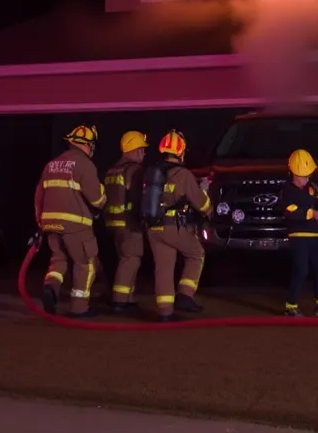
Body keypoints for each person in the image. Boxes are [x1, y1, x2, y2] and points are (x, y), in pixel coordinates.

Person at [34, 124, 107, 318]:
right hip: (77, 225)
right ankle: (79, 307)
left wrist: (42, 223)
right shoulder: (85, 164)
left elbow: (39, 196)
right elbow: (96, 199)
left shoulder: (51, 164)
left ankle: (51, 288)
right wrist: (103, 198)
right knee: (86, 263)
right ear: (88, 145)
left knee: (59, 260)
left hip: (50, 225)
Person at [146, 129, 211, 323]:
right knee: (196, 254)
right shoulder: (183, 174)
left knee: (164, 268)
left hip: (153, 227)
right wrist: (205, 195)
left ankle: (165, 312)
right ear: (181, 152)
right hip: (174, 227)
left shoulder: (152, 172)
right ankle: (185, 294)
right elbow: (202, 204)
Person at [279, 149, 318, 317]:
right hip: (298, 236)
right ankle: (291, 306)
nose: (307, 178)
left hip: (314, 235)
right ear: (293, 173)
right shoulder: (287, 191)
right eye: (303, 175)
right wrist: (312, 214)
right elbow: (289, 211)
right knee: (301, 270)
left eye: (308, 175)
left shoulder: (312, 188)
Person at [104, 131, 148, 314]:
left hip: (113, 223)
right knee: (131, 259)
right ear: (135, 150)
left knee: (126, 258)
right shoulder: (134, 170)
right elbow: (138, 198)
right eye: (142, 150)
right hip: (129, 223)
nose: (144, 154)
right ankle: (120, 301)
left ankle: (127, 299)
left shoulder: (112, 170)